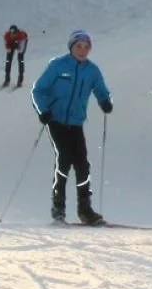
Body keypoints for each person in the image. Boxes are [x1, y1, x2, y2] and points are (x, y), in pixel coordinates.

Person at [30, 30, 114, 225]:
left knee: (82, 164)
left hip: (76, 122)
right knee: (65, 158)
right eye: (79, 46)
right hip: (56, 120)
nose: (82, 50)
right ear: (71, 47)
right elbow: (38, 90)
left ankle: (85, 210)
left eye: (86, 47)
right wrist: (43, 110)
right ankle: (58, 209)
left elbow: (100, 88)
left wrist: (105, 101)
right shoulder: (58, 66)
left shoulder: (92, 70)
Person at [2, 24, 29, 88]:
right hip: (12, 43)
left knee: (20, 60)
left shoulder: (21, 36)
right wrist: (10, 48)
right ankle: (7, 79)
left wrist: (17, 46)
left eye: (15, 34)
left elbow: (21, 50)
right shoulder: (7, 36)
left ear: (17, 33)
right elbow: (7, 47)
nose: (13, 35)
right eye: (12, 34)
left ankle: (20, 80)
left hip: (21, 44)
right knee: (8, 61)